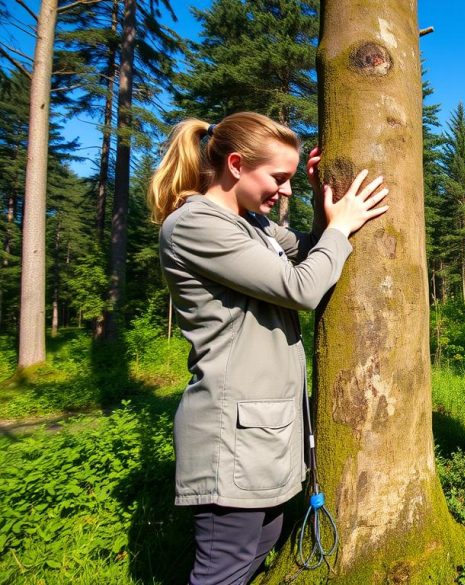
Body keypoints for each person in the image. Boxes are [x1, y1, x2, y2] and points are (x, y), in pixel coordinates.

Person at [147, 112, 389, 585]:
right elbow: (301, 287)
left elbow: (310, 249)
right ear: (236, 164)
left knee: (257, 552)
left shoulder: (250, 224)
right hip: (230, 439)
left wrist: (329, 208)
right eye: (279, 177)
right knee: (224, 570)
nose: (286, 190)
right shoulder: (196, 224)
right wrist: (341, 229)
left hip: (263, 434)